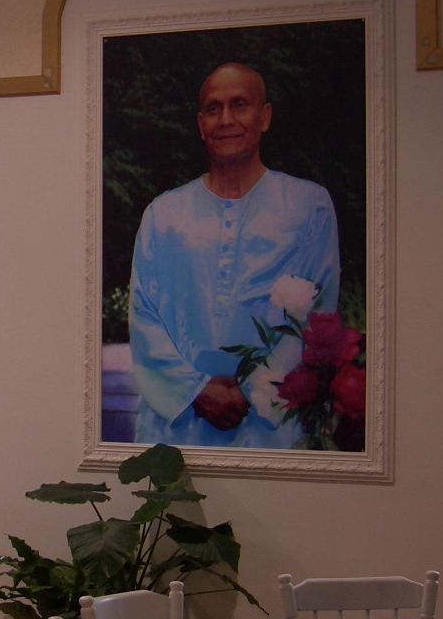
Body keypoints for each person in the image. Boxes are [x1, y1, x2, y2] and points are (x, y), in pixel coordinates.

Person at [129, 62, 339, 448]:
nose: (226, 119)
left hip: (271, 426)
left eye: (240, 104)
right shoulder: (164, 213)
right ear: (200, 124)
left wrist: (255, 390)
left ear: (265, 117)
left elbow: (319, 315)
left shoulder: (307, 205)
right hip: (179, 424)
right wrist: (197, 391)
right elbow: (143, 316)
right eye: (214, 108)